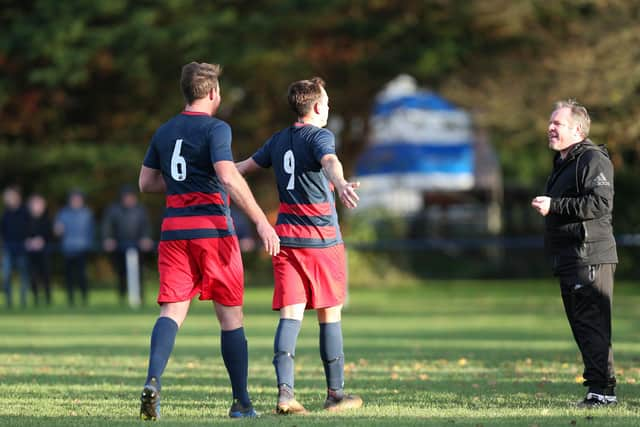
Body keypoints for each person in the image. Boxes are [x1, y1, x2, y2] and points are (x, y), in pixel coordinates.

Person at [137, 61, 279, 420]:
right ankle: (242, 403)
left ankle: (153, 381)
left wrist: (182, 185)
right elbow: (228, 177)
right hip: (212, 233)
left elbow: (146, 184)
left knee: (171, 311)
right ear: (214, 93)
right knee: (230, 316)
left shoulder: (165, 130)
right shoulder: (217, 129)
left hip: (173, 233)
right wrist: (262, 221)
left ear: (186, 93)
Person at [236, 77, 363, 414]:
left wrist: (207, 176)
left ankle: (285, 395)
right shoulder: (321, 135)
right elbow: (330, 162)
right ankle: (335, 394)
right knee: (330, 314)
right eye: (328, 102)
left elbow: (240, 169)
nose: (329, 107)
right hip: (321, 241)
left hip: (286, 241)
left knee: (290, 316)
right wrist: (340, 183)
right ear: (318, 106)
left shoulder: (278, 140)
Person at [531, 99, 618, 408]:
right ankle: (598, 391)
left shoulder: (593, 159)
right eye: (550, 122)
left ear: (578, 130)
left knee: (592, 325)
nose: (550, 127)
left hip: (590, 255)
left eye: (558, 123)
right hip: (571, 256)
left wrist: (554, 205)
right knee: (583, 327)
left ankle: (603, 394)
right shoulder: (565, 163)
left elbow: (599, 204)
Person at [102, 185, 154, 304]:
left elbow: (146, 226)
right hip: (120, 247)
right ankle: (122, 297)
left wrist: (146, 238)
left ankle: (140, 297)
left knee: (139, 273)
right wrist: (108, 239)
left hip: (137, 247)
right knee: (121, 274)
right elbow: (107, 226)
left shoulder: (141, 210)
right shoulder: (114, 210)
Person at [54, 190, 95, 306]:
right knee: (69, 276)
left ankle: (84, 299)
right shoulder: (63, 213)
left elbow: (91, 231)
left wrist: (88, 245)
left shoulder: (87, 213)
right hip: (67, 248)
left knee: (82, 276)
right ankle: (70, 299)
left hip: (82, 249)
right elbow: (57, 230)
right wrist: (57, 230)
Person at [1, 186, 30, 308]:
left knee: (23, 275)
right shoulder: (5, 214)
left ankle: (23, 301)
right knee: (6, 275)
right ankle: (9, 301)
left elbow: (29, 229)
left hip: (22, 248)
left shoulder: (25, 213)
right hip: (8, 248)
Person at [25, 193, 53, 306]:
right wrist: (29, 241)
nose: (37, 206)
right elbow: (22, 233)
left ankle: (48, 299)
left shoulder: (47, 219)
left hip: (44, 252)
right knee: (33, 276)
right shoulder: (26, 220)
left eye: (40, 204)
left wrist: (42, 241)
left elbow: (50, 234)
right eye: (35, 204)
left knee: (46, 275)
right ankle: (36, 299)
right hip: (31, 252)